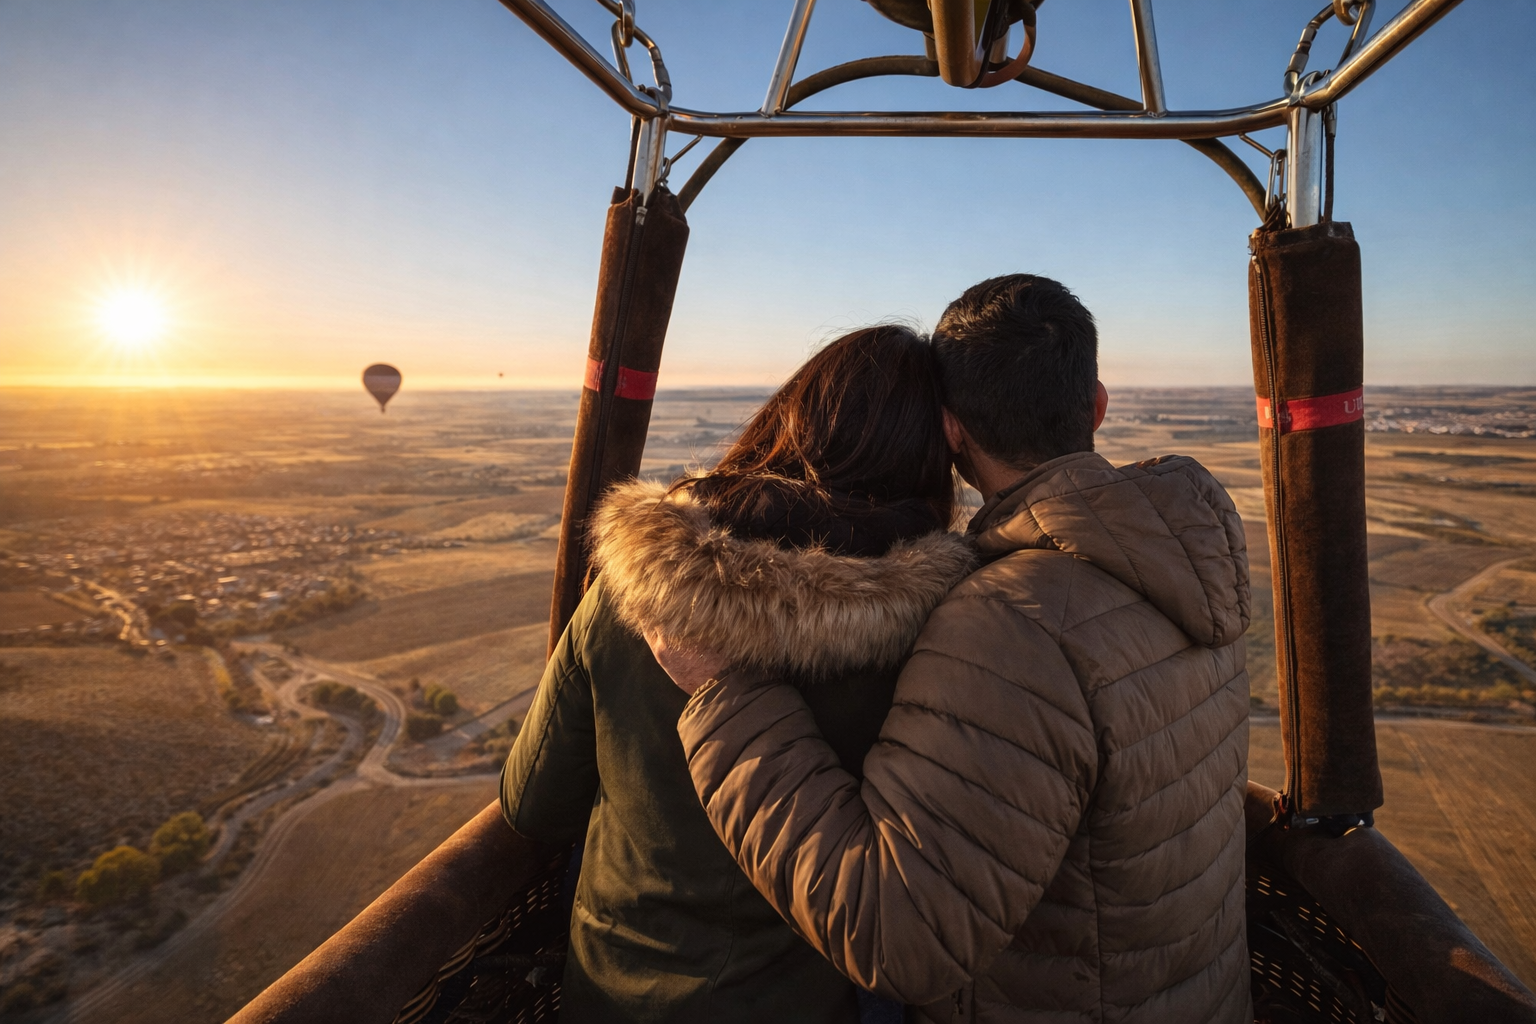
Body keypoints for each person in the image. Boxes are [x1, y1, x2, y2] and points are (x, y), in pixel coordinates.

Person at [649, 274, 1254, 1023]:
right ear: (1096, 405)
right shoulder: (1189, 558)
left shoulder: (1009, 623)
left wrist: (727, 695)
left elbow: (898, 937)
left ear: (952, 434)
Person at [500, 325, 976, 1023]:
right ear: (933, 460)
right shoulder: (936, 641)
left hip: (607, 998)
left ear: (787, 419)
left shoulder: (637, 592)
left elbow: (532, 805)